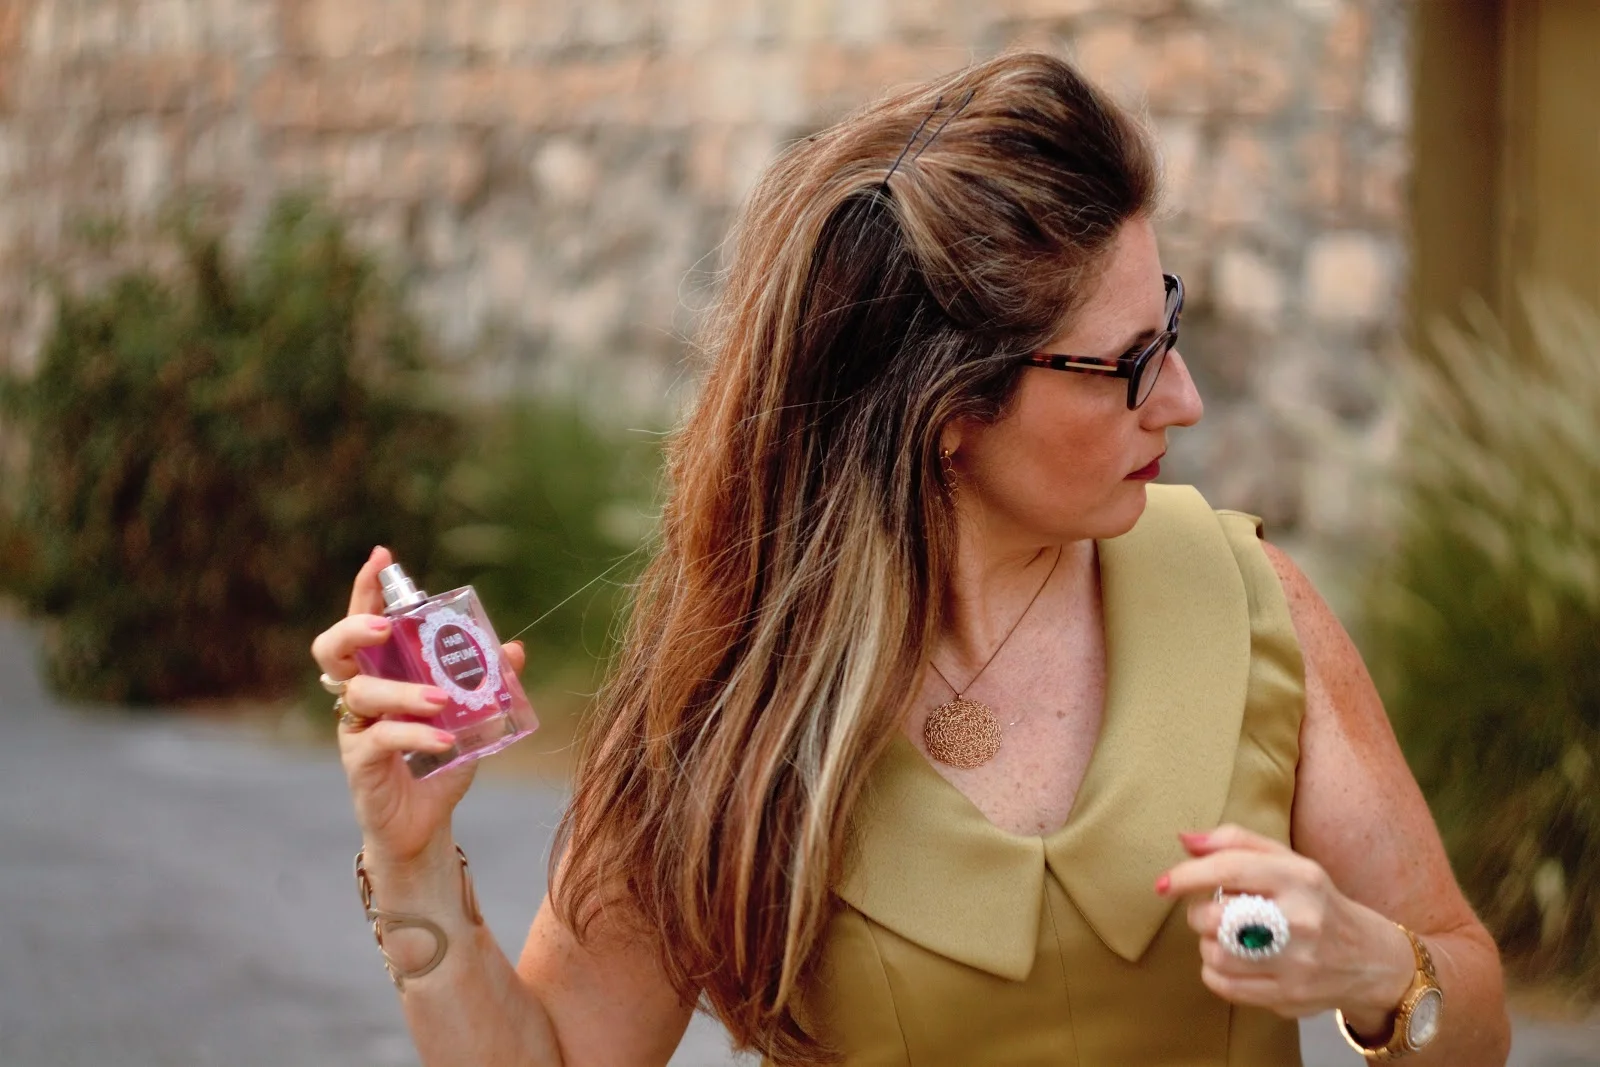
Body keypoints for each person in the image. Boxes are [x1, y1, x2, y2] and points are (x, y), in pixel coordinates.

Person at [311, 51, 1510, 1066]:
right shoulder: (734, 691)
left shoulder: (1251, 600)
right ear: (949, 410)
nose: (1182, 399)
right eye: (1128, 363)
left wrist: (1374, 971)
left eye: (1172, 328)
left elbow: (1476, 1010)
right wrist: (410, 865)